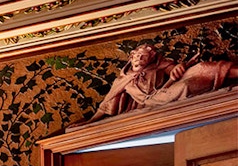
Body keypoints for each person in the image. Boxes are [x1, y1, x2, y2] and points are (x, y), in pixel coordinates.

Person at [85, 44, 238, 123]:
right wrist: (91, 121)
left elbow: (175, 72)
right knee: (185, 86)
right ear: (131, 58)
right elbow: (106, 103)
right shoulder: (122, 80)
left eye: (143, 56)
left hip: (168, 89)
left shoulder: (157, 67)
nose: (139, 58)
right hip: (154, 100)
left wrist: (177, 69)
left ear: (150, 59)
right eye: (137, 56)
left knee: (203, 68)